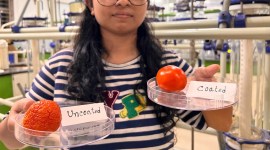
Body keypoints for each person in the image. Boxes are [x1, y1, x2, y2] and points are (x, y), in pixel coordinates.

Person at [0, 0, 233, 149]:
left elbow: (221, 124)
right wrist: (14, 123)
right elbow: (11, 143)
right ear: (91, 5)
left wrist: (208, 92)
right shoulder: (61, 65)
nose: (123, 2)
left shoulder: (168, 66)